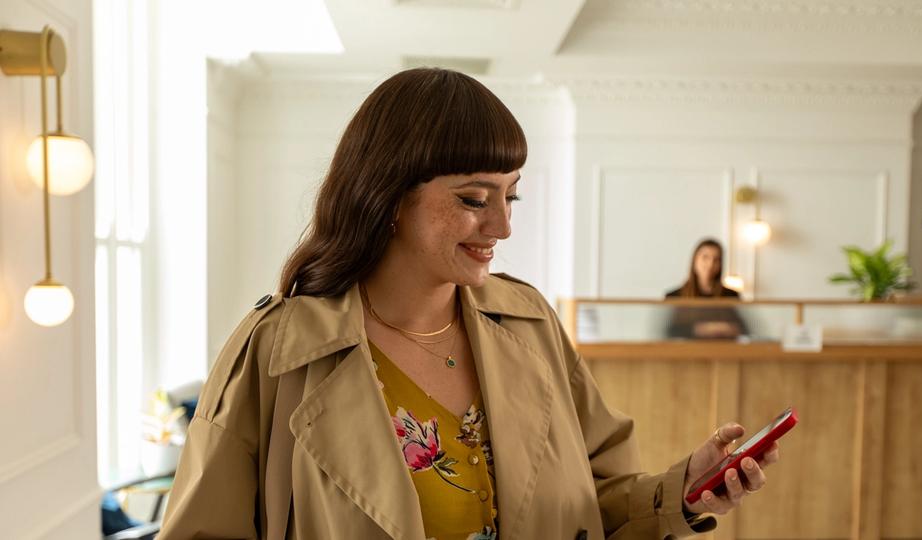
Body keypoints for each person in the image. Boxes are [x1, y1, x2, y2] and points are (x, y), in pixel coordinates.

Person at [158, 68, 778, 540]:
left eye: (512, 197)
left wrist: (680, 491)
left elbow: (596, 503)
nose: (502, 226)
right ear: (387, 196)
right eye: (474, 200)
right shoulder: (276, 351)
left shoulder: (530, 324)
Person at [665, 239, 748, 340]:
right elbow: (669, 331)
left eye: (716, 260)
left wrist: (726, 329)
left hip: (720, 348)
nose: (710, 264)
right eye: (705, 257)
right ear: (694, 261)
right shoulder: (674, 296)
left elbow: (743, 329)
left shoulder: (731, 295)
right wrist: (700, 329)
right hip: (689, 349)